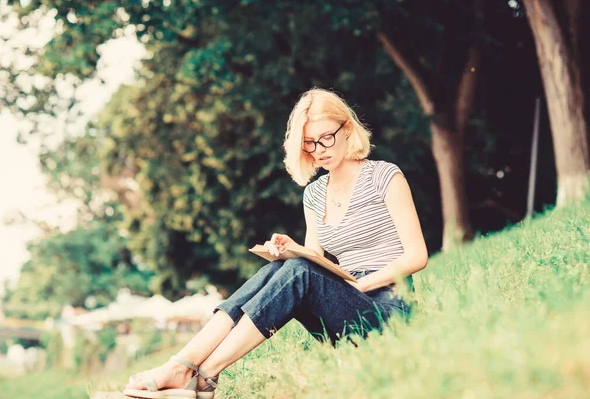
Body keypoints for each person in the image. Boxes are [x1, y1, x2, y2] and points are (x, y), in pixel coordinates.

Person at [123, 88, 428, 398]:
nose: (319, 149)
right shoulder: (315, 194)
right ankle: (183, 366)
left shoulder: (384, 176)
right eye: (309, 143)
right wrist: (289, 249)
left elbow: (417, 256)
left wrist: (356, 286)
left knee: (298, 271)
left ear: (347, 129)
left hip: (388, 310)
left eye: (326, 138)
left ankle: (201, 376)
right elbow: (314, 258)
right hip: (342, 307)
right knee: (288, 265)